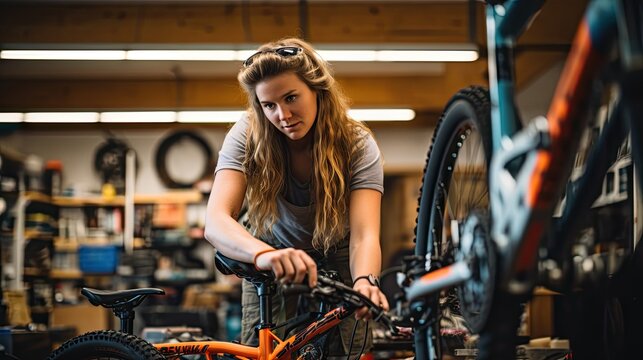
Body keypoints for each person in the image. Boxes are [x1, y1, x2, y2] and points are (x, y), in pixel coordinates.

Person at [204, 37, 389, 357]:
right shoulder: (247, 133)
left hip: (339, 250)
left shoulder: (356, 143)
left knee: (347, 347)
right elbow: (216, 220)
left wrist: (365, 281)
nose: (283, 114)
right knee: (263, 348)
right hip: (270, 247)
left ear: (317, 90)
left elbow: (364, 233)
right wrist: (264, 255)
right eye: (269, 105)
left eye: (291, 98)